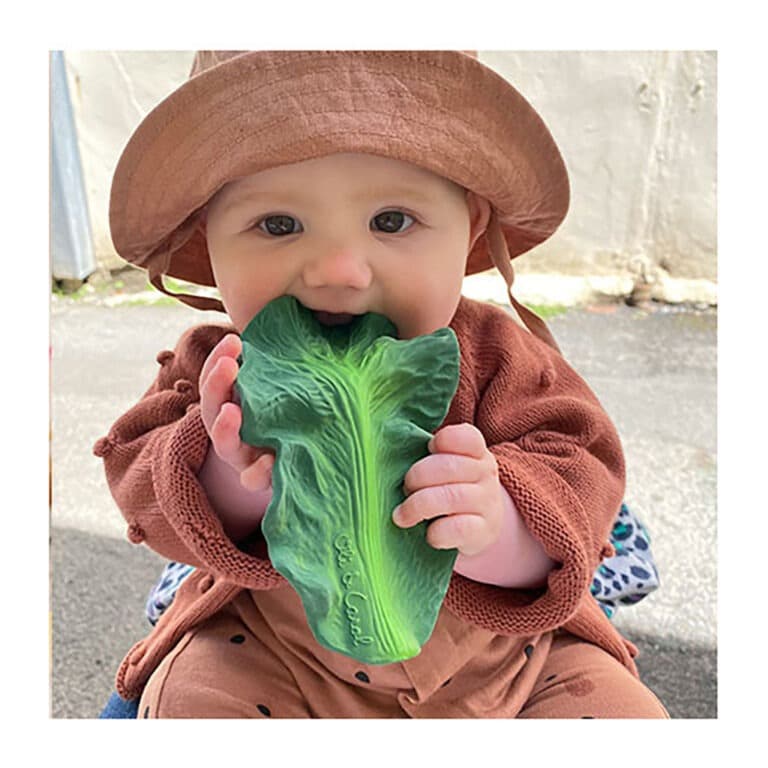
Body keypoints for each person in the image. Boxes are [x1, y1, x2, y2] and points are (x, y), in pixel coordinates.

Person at [95, 50, 668, 718]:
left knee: (622, 715)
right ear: (208, 236)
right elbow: (140, 480)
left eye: (391, 221)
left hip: (508, 665)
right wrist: (227, 477)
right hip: (273, 656)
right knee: (191, 703)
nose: (339, 270)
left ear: (471, 226)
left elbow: (583, 474)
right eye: (279, 224)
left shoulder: (503, 359)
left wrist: (501, 528)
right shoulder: (213, 365)